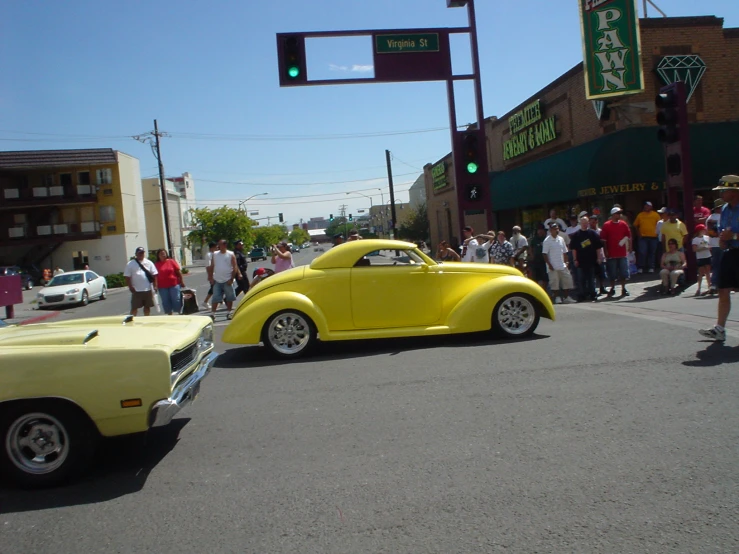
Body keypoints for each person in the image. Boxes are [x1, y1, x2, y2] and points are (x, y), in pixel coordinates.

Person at [700, 175, 739, 341]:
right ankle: (720, 328)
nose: (721, 193)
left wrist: (735, 236)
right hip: (729, 253)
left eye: (724, 190)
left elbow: (733, 234)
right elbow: (722, 230)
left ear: (734, 191)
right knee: (723, 289)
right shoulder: (724, 209)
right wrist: (723, 240)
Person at [600, 206, 632, 297]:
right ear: (613, 214)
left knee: (624, 272)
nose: (619, 215)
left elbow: (628, 235)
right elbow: (604, 240)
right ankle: (612, 288)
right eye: (617, 213)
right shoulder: (606, 225)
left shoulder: (623, 224)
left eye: (620, 213)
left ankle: (623, 288)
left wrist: (629, 247)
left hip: (622, 253)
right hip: (611, 253)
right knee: (612, 273)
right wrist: (606, 251)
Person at [570, 215, 603, 302]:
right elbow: (573, 249)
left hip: (592, 261)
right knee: (581, 279)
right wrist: (575, 259)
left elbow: (598, 247)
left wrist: (599, 257)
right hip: (580, 261)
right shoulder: (576, 235)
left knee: (592, 279)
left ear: (588, 223)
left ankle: (593, 294)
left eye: (586, 223)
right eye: (582, 223)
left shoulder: (593, 234)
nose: (584, 224)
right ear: (580, 223)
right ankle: (582, 295)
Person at [542, 223, 575, 304]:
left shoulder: (561, 239)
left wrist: (566, 262)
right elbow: (544, 254)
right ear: (550, 230)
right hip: (552, 266)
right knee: (554, 283)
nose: (556, 230)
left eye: (557, 229)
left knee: (567, 281)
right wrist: (549, 265)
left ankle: (567, 297)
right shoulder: (547, 241)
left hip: (562, 265)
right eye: (554, 229)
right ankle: (557, 297)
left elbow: (565, 252)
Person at [208, 239, 239, 321]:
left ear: (225, 245)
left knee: (229, 297)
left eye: (220, 245)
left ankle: (229, 313)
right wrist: (210, 277)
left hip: (227, 279)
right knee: (215, 297)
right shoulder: (215, 254)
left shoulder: (230, 254)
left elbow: (235, 266)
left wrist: (232, 278)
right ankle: (212, 314)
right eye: (218, 245)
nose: (218, 246)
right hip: (217, 279)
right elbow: (212, 266)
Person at [124, 246, 158, 316]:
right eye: (139, 253)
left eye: (142, 253)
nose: (141, 254)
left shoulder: (149, 263)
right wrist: (130, 287)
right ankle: (132, 319)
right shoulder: (130, 264)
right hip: (136, 290)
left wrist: (155, 286)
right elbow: (127, 276)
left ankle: (146, 319)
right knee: (134, 307)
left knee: (147, 307)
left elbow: (154, 274)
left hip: (147, 289)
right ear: (136, 254)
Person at [632, 201, 661, 273]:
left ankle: (651, 267)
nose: (646, 207)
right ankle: (641, 267)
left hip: (653, 237)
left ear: (651, 207)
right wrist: (638, 233)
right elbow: (635, 225)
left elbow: (660, 224)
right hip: (643, 237)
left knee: (652, 252)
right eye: (645, 205)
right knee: (642, 252)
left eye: (648, 206)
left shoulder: (656, 215)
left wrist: (658, 233)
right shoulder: (640, 215)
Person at [154, 248, 184, 315]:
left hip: (174, 284)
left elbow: (178, 272)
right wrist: (155, 285)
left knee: (176, 299)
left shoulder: (171, 261)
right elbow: (154, 275)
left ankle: (179, 312)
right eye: (161, 254)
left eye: (164, 253)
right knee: (165, 301)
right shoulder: (156, 264)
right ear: (158, 256)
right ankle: (170, 314)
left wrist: (182, 281)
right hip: (162, 286)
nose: (163, 255)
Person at [706, 198, 724, 295]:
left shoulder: (710, 218)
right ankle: (721, 284)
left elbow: (710, 233)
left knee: (716, 265)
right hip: (722, 244)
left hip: (712, 244)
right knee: (724, 265)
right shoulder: (722, 217)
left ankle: (714, 284)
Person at [691, 224, 712, 296]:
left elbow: (710, 246)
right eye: (703, 229)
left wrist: (708, 247)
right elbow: (694, 249)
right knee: (700, 273)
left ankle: (709, 287)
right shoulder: (695, 239)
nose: (704, 230)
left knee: (708, 273)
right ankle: (699, 288)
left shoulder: (707, 238)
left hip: (707, 256)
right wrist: (703, 248)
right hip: (700, 257)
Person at [529, 223, 549, 289]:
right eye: (539, 230)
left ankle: (544, 290)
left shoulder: (547, 239)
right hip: (536, 261)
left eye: (541, 230)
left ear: (544, 230)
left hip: (545, 261)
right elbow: (530, 248)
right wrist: (532, 256)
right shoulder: (534, 239)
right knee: (535, 278)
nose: (540, 231)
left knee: (545, 278)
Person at [202, 241, 217, 308]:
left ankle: (220, 301)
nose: (217, 248)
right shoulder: (208, 255)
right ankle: (205, 302)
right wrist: (210, 276)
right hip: (213, 274)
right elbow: (208, 266)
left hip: (217, 274)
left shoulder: (215, 254)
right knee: (213, 288)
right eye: (216, 247)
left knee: (216, 288)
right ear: (212, 247)